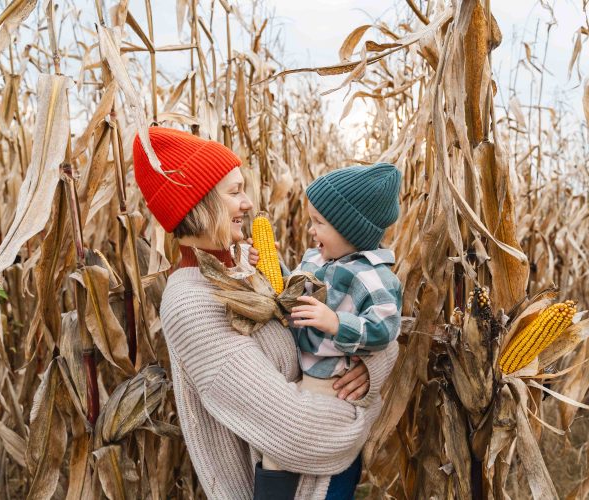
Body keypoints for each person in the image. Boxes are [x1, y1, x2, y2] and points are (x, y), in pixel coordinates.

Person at [133, 126, 399, 500]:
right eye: (234, 191)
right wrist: (364, 410)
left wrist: (368, 370)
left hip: (327, 473)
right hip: (295, 483)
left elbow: (374, 325)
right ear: (199, 202)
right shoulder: (191, 304)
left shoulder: (245, 265)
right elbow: (293, 432)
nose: (248, 203)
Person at [249, 164, 403, 490]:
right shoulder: (318, 260)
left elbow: (385, 327)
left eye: (319, 223)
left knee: (288, 450)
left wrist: (337, 324)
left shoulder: (373, 277)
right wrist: (269, 265)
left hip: (331, 384)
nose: (310, 230)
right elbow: (296, 291)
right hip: (304, 373)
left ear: (352, 230)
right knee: (278, 451)